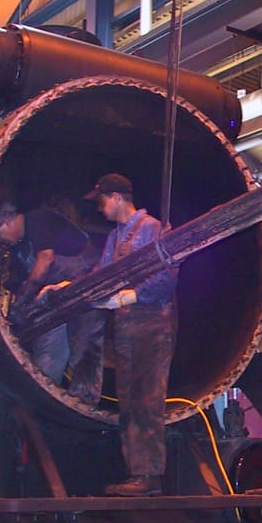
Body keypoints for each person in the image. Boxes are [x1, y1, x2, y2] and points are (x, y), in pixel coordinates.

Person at [67, 173, 178, 497]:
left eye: (101, 201)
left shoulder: (151, 229)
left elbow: (165, 277)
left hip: (151, 326)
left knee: (146, 400)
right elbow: (102, 274)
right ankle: (137, 474)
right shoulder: (117, 236)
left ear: (116, 197)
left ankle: (147, 476)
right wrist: (69, 288)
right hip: (128, 329)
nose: (100, 209)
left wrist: (129, 296)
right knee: (129, 400)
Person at [0, 202, 94, 383]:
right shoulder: (19, 248)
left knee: (84, 350)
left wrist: (24, 298)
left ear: (6, 222)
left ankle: (84, 399)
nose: (1, 240)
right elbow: (18, 281)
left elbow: (45, 260)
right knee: (47, 351)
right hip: (53, 298)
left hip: (82, 286)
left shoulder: (38, 219)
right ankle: (47, 392)